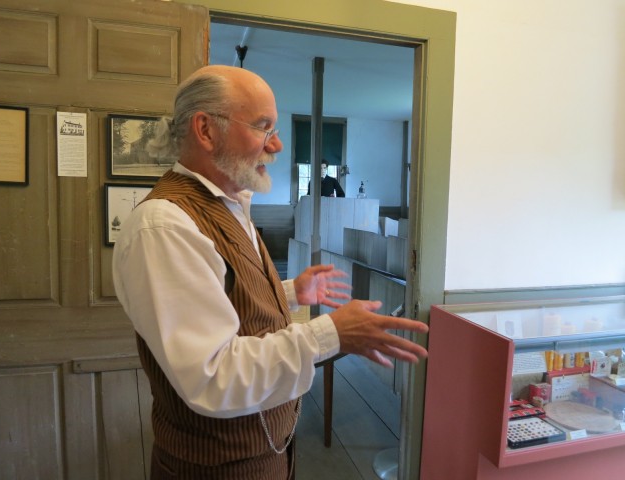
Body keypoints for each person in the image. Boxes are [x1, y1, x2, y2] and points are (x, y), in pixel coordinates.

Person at [112, 65, 428, 480]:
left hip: (267, 451)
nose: (276, 144)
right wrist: (331, 333)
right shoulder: (165, 226)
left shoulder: (229, 202)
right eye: (263, 127)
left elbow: (218, 297)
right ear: (205, 130)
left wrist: (290, 291)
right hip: (216, 469)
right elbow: (213, 376)